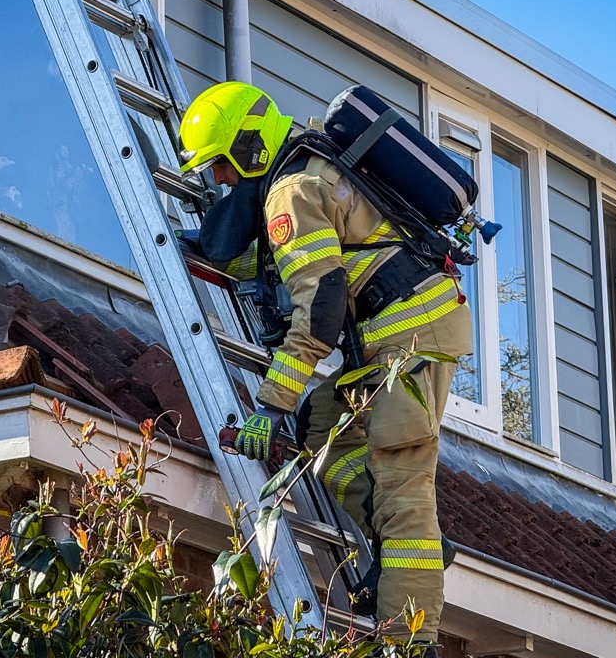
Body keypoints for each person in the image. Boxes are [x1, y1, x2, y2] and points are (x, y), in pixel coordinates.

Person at [178, 82, 473, 653]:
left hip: (413, 339)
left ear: (248, 146)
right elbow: (300, 264)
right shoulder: (302, 169)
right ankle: (403, 545)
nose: (218, 179)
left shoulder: (290, 190)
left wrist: (271, 406)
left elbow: (320, 309)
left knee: (402, 488)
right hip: (391, 339)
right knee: (322, 427)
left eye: (220, 164)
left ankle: (409, 643)